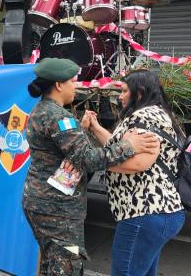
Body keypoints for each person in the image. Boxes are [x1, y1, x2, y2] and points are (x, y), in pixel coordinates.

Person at [22, 58, 160, 275]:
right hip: (57, 208)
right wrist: (128, 145)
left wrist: (83, 131)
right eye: (72, 81)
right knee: (66, 267)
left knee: (51, 262)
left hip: (42, 200)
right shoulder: (58, 117)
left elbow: (62, 152)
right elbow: (87, 160)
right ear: (59, 85)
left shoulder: (41, 110)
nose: (75, 86)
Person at [100, 70, 185, 276]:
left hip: (144, 211)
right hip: (158, 211)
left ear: (139, 93)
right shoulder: (157, 113)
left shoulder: (144, 117)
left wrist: (94, 161)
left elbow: (138, 163)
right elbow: (119, 148)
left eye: (124, 91)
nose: (120, 96)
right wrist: (95, 127)